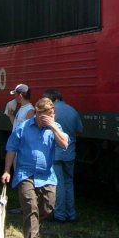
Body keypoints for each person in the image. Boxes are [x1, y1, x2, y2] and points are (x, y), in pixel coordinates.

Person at [1, 97, 68, 238]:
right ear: (37, 114)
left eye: (52, 115)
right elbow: (11, 149)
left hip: (46, 176)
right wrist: (6, 171)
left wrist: (53, 126)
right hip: (26, 173)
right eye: (46, 115)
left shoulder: (54, 128)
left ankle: (32, 223)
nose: (50, 118)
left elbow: (65, 144)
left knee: (48, 207)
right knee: (31, 206)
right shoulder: (23, 128)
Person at [43, 88, 83, 223]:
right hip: (70, 153)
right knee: (69, 183)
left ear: (51, 99)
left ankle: (60, 215)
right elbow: (80, 129)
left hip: (55, 153)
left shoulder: (50, 112)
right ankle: (71, 214)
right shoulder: (72, 110)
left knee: (58, 184)